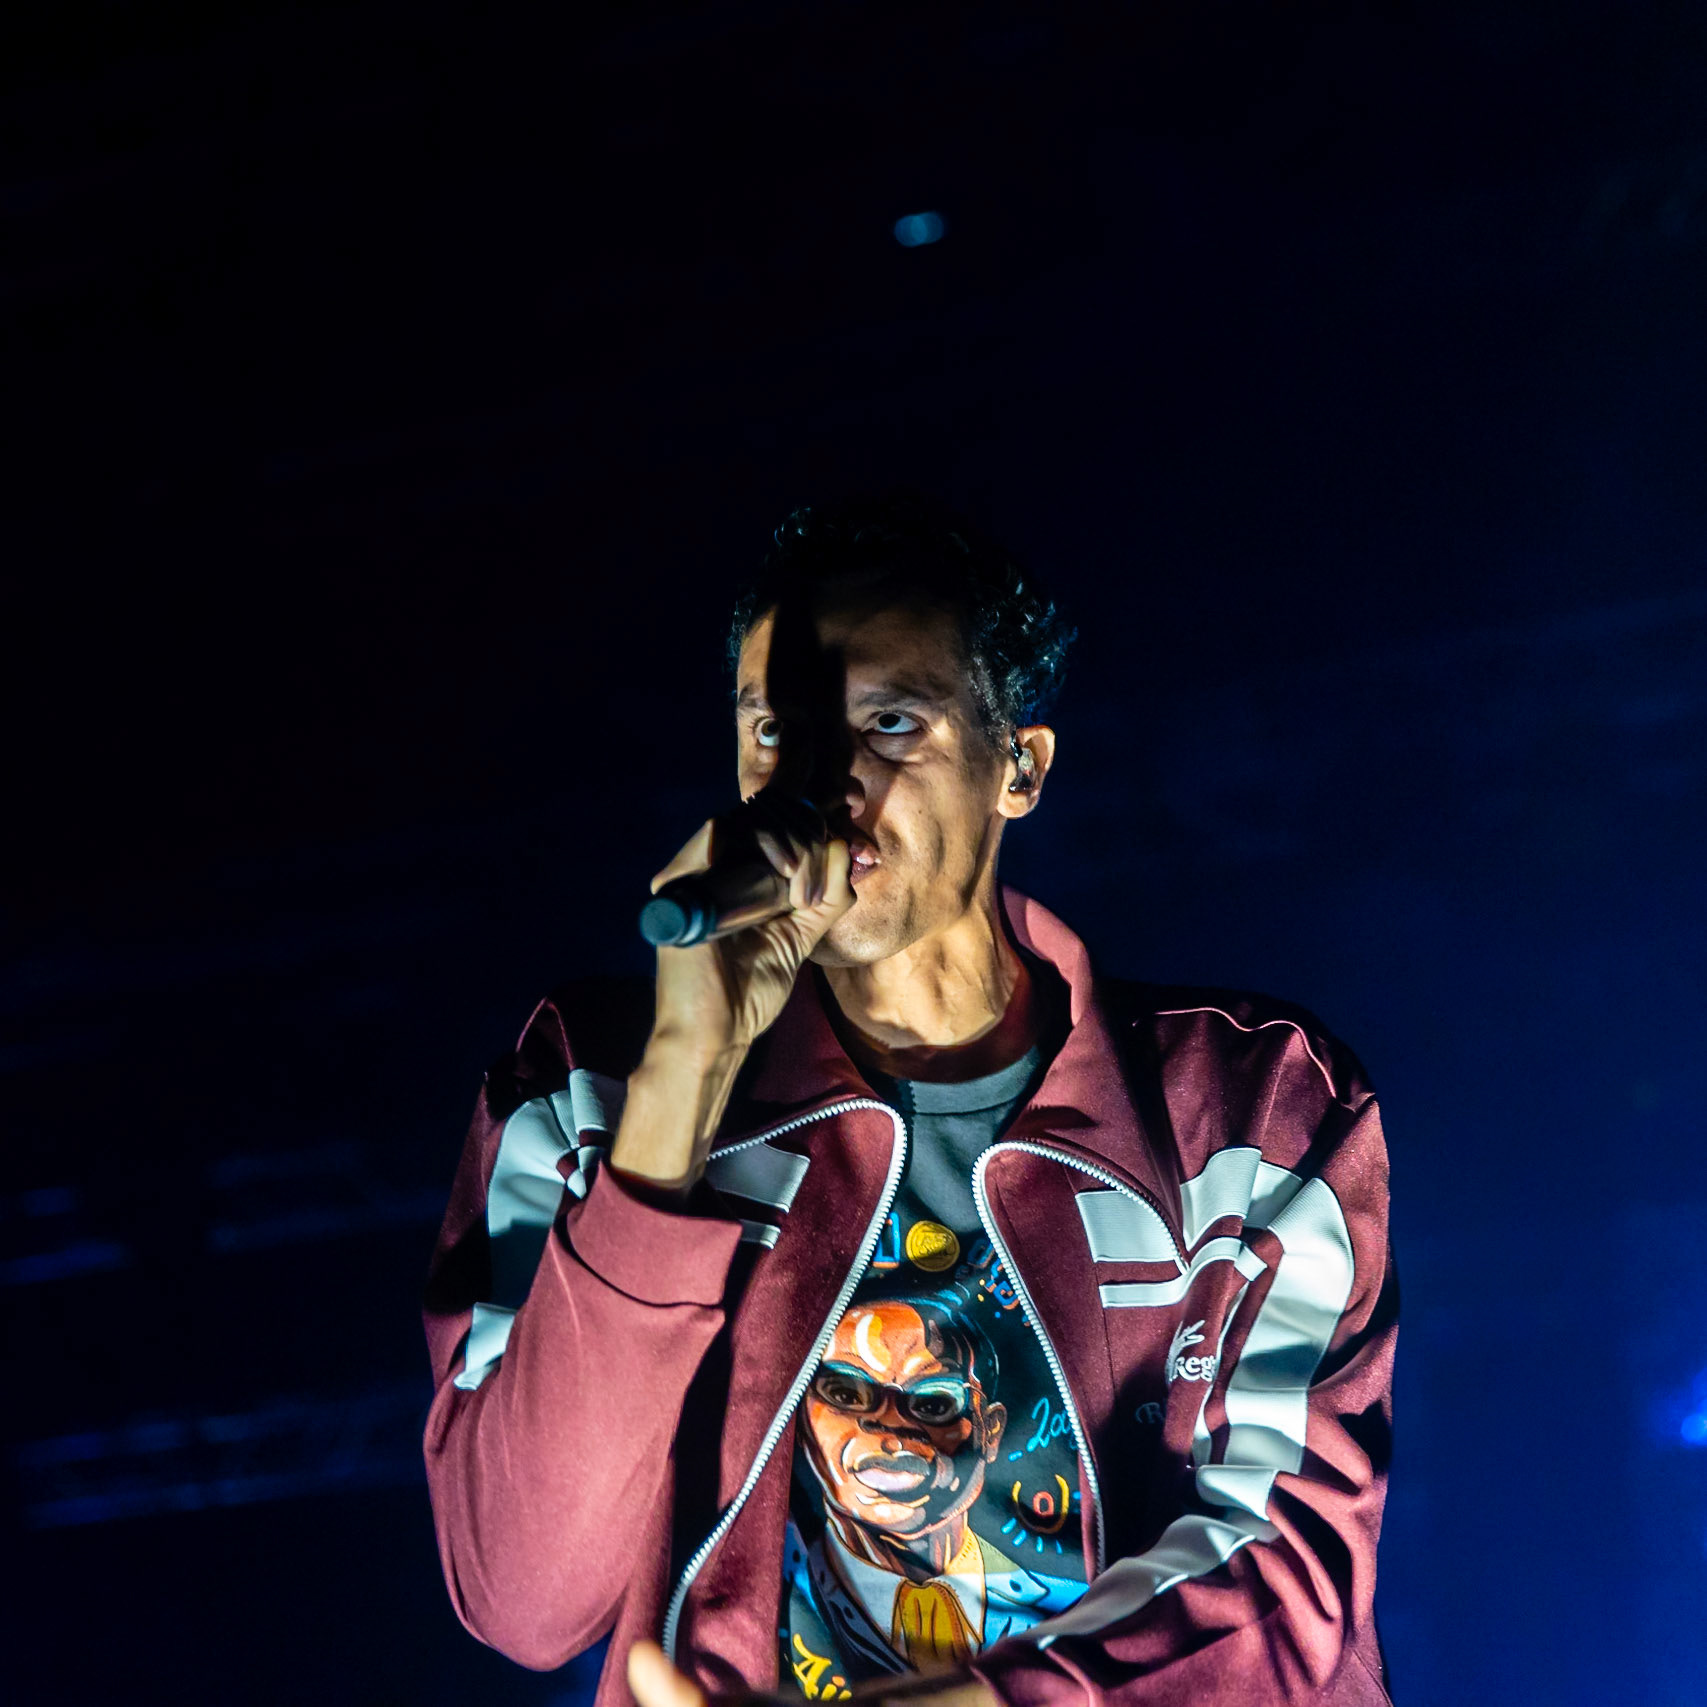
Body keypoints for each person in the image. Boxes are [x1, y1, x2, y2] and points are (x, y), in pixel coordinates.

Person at [422, 496, 1397, 1707]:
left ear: (1018, 769)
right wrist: (679, 1083)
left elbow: (1283, 1585)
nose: (820, 786)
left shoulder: (1249, 1105)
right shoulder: (588, 1086)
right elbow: (522, 1593)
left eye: (889, 724)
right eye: (776, 733)